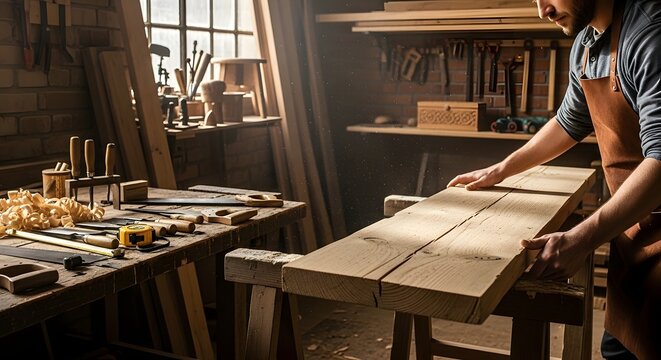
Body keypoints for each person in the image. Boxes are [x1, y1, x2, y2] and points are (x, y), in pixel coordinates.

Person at [447, 0, 661, 358]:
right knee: (619, 349)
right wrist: (501, 169)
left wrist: (582, 238)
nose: (542, 10)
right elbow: (569, 122)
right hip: (634, 231)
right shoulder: (587, 42)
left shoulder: (649, 34)